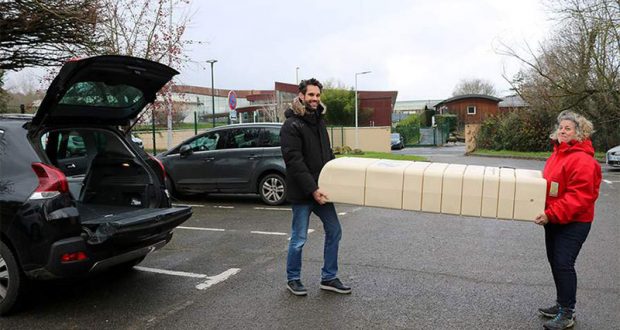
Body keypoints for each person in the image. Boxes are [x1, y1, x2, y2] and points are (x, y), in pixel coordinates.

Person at [280, 78, 351, 296]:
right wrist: (313, 190)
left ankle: (328, 277)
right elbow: (295, 162)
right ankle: (293, 279)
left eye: (318, 95)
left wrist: (335, 178)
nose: (315, 99)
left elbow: (327, 155)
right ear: (301, 95)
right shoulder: (291, 125)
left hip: (322, 191)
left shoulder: (319, 121)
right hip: (304, 193)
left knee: (334, 231)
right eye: (311, 95)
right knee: (299, 238)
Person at [534, 110, 602, 330]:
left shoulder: (583, 160)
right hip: (553, 218)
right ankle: (561, 304)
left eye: (568, 128)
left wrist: (550, 213)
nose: (562, 131)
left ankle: (567, 313)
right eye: (561, 127)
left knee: (564, 264)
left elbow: (580, 197)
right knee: (555, 262)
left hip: (574, 222)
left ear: (579, 133)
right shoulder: (558, 154)